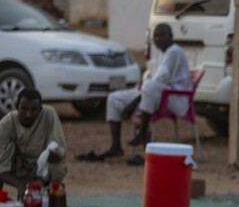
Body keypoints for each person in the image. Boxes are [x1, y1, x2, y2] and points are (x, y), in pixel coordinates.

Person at [80, 23, 192, 160]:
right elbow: (152, 80)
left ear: (171, 36)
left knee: (150, 87)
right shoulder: (159, 54)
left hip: (175, 99)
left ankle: (143, 133)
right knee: (114, 98)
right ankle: (116, 146)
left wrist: (135, 101)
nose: (158, 39)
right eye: (155, 36)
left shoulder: (174, 52)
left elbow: (160, 81)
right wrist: (139, 93)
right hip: (156, 96)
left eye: (162, 35)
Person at [0, 88, 67, 200]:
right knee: (0, 155)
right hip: (18, 168)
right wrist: (19, 184)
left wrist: (51, 155)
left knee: (58, 164)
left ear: (40, 110)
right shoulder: (6, 124)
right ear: (17, 107)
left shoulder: (49, 115)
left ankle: (48, 195)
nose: (28, 115)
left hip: (40, 170)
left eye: (33, 110)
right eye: (24, 109)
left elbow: (60, 151)